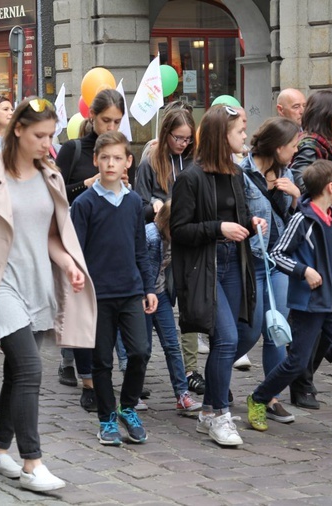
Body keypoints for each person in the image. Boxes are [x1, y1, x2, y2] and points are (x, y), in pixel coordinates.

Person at [0, 97, 95, 492]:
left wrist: (70, 265)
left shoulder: (51, 176)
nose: (49, 143)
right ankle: (32, 462)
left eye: (51, 135)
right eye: (40, 135)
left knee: (16, 370)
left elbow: (51, 236)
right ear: (19, 131)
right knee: (29, 368)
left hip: (37, 282)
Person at [246, 160, 332, 443]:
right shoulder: (303, 219)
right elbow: (278, 253)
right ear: (330, 187)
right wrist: (303, 271)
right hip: (309, 305)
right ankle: (258, 398)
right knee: (296, 363)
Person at [171, 105, 265, 447]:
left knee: (248, 330)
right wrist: (217, 228)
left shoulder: (236, 174)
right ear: (220, 136)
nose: (245, 136)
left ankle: (209, 409)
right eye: (239, 131)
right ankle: (220, 415)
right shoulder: (190, 178)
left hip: (234, 262)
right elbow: (178, 230)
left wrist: (251, 224)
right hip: (205, 267)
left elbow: (239, 217)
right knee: (224, 338)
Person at [71, 130, 157, 446]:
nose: (110, 163)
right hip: (98, 294)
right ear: (96, 160)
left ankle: (127, 407)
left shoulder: (134, 202)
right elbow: (75, 251)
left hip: (131, 289)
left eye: (117, 158)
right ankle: (107, 418)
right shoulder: (84, 203)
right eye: (105, 157)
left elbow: (140, 248)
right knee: (102, 361)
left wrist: (148, 287)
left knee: (140, 351)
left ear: (127, 163)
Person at [55, 89, 127, 410]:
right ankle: (86, 379)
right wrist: (86, 184)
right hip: (74, 240)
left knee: (107, 315)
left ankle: (98, 370)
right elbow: (54, 193)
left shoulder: (123, 154)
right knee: (82, 312)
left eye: (117, 120)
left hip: (111, 243)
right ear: (92, 118)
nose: (111, 126)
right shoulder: (73, 150)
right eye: (105, 120)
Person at [287, 89, 332, 409]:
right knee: (315, 316)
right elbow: (301, 185)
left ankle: (310, 373)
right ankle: (299, 379)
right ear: (327, 114)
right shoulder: (311, 146)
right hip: (315, 237)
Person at [134, 107, 205, 395]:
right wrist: (154, 207)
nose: (183, 144)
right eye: (178, 138)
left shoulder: (193, 161)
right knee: (158, 305)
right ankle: (136, 368)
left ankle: (190, 370)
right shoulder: (150, 162)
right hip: (159, 245)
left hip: (187, 243)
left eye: (188, 139)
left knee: (187, 306)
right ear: (166, 135)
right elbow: (137, 207)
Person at [236, 116, 301, 424]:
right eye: (292, 146)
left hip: (278, 261)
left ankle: (269, 397)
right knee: (248, 332)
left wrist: (295, 197)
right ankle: (218, 372)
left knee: (277, 330)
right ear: (277, 147)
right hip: (250, 261)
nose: (296, 152)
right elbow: (235, 215)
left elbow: (296, 223)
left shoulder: (289, 174)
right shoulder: (241, 172)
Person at [144, 199, 202, 415]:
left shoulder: (175, 239)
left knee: (171, 345)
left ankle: (182, 394)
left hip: (160, 295)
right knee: (143, 348)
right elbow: (140, 267)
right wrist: (144, 294)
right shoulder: (150, 236)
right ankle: (131, 395)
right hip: (144, 295)